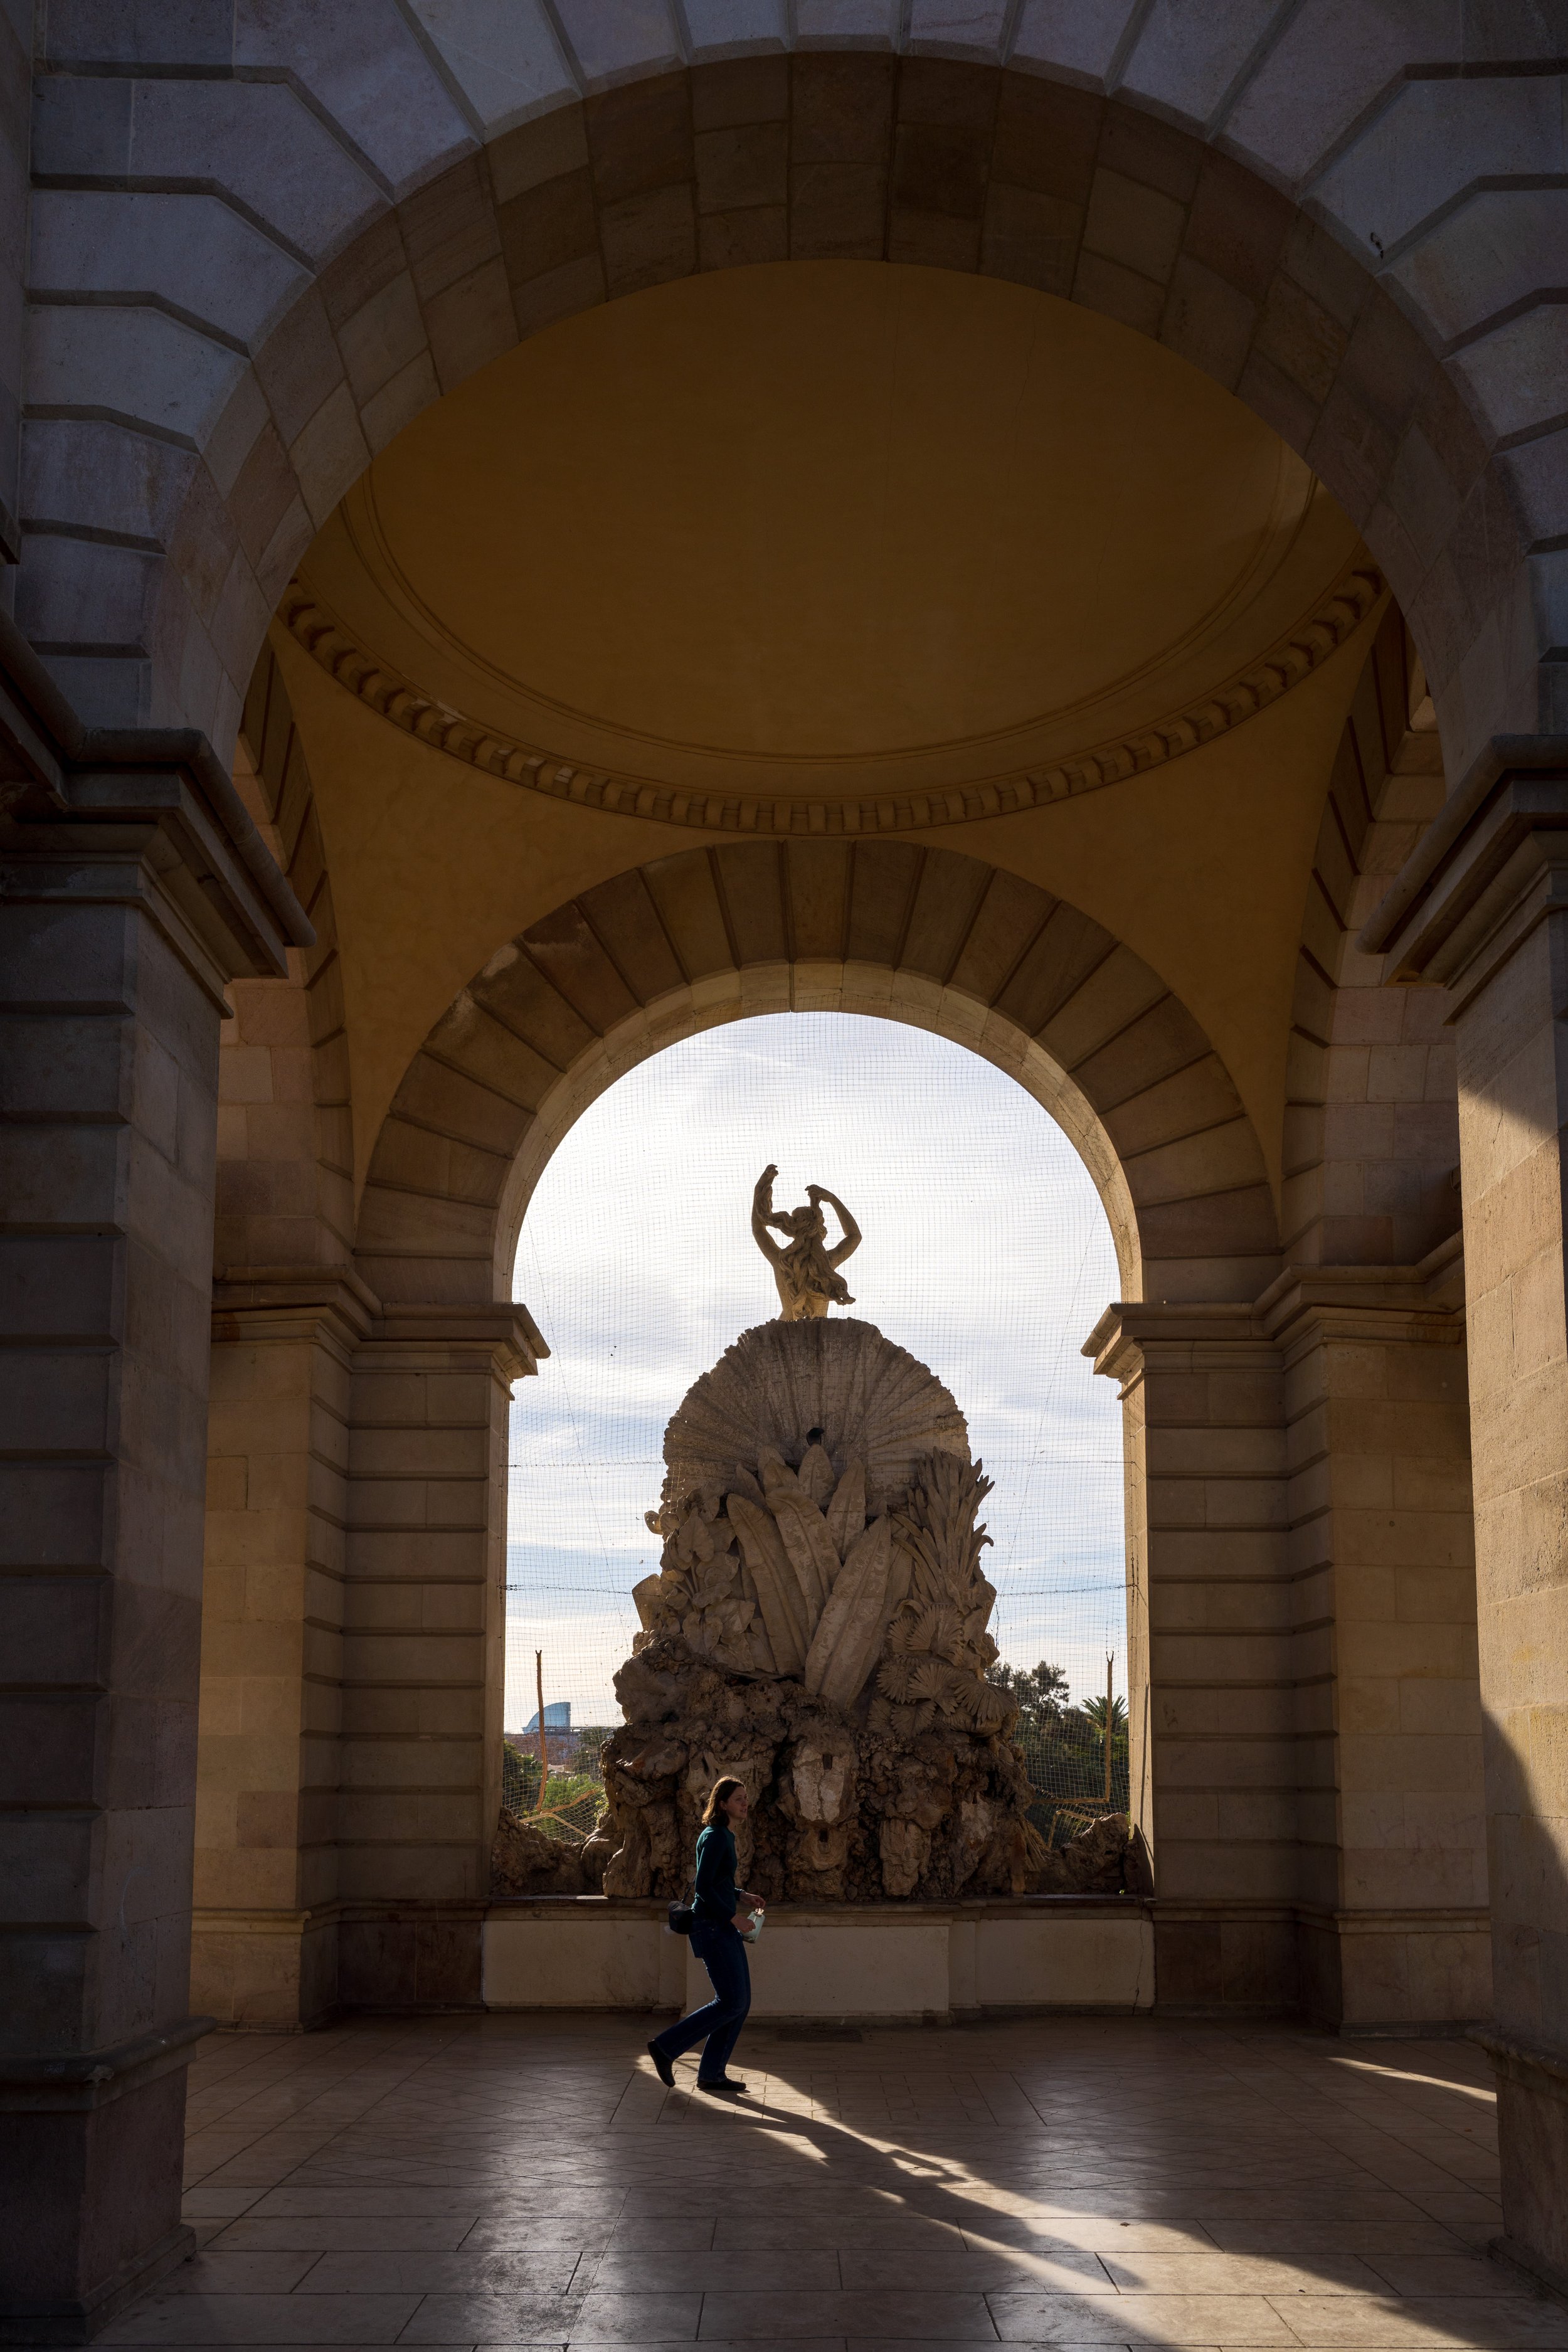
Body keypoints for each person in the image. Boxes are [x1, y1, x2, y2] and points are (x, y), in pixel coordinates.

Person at [647, 1777, 766, 2096]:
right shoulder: (715, 1836)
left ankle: (712, 2073)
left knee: (739, 2003)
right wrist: (733, 1916)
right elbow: (703, 1888)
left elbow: (719, 1882)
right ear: (723, 1803)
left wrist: (743, 1895)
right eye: (739, 1799)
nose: (745, 1803)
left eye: (746, 1798)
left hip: (720, 1926)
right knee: (732, 2002)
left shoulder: (723, 1835)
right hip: (713, 1927)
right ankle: (666, 2047)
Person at [751, 1165, 862, 1321]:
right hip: (820, 1337)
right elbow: (854, 1236)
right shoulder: (827, 1263)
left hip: (784, 1334)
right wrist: (832, 1199)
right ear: (820, 1229)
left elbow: (758, 1230)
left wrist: (762, 1186)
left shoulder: (782, 1261)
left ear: (792, 1228)